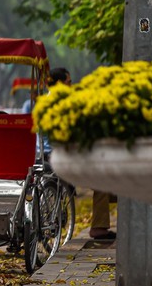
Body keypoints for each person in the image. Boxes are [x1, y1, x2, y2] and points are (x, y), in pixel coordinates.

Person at [47, 67, 115, 240]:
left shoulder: (44, 102)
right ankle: (99, 227)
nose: (72, 85)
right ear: (61, 83)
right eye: (69, 82)